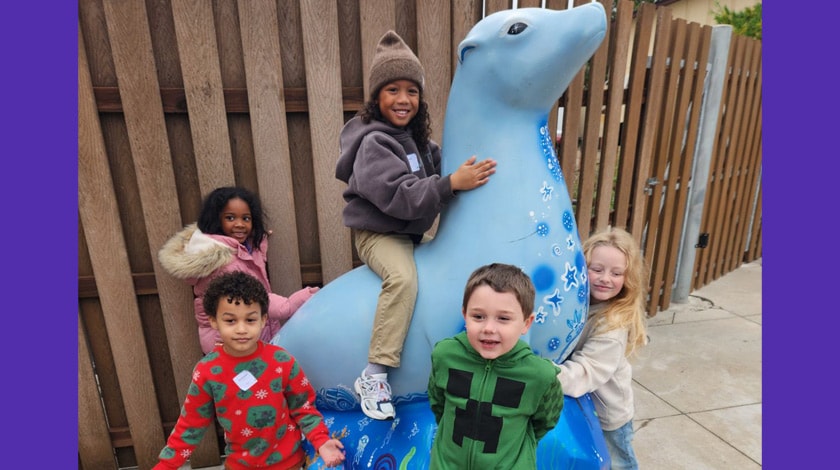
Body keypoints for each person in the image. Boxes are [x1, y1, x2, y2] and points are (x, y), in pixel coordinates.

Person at [335, 30, 497, 420]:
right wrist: (451, 184)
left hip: (408, 232)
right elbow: (402, 196)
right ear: (376, 97)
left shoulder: (418, 142)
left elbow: (446, 164)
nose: (403, 99)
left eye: (412, 90)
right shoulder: (375, 144)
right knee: (403, 280)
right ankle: (375, 372)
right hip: (379, 234)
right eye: (392, 90)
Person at [153, 271, 345, 470]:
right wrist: (166, 466)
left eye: (250, 320)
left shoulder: (281, 360)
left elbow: (304, 408)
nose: (241, 329)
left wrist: (321, 441)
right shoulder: (207, 372)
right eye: (230, 321)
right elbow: (191, 424)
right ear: (213, 321)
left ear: (263, 320)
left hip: (289, 463)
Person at [427, 263, 564, 469]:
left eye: (503, 318)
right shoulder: (444, 355)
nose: (489, 328)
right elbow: (438, 403)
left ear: (526, 323)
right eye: (478, 316)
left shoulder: (540, 375)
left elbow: (545, 420)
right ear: (465, 315)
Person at [158, 186, 318, 354]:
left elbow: (251, 256)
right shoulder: (224, 263)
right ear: (216, 220)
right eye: (230, 217)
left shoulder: (240, 248)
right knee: (246, 378)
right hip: (230, 342)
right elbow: (250, 296)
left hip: (242, 332)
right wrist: (290, 305)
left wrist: (260, 237)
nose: (240, 224)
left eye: (246, 218)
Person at [556, 227, 649, 470]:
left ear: (628, 279)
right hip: (583, 405)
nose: (605, 278)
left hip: (609, 416)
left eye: (616, 273)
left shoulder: (613, 325)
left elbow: (589, 371)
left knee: (619, 463)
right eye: (596, 269)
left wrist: (545, 374)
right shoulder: (577, 303)